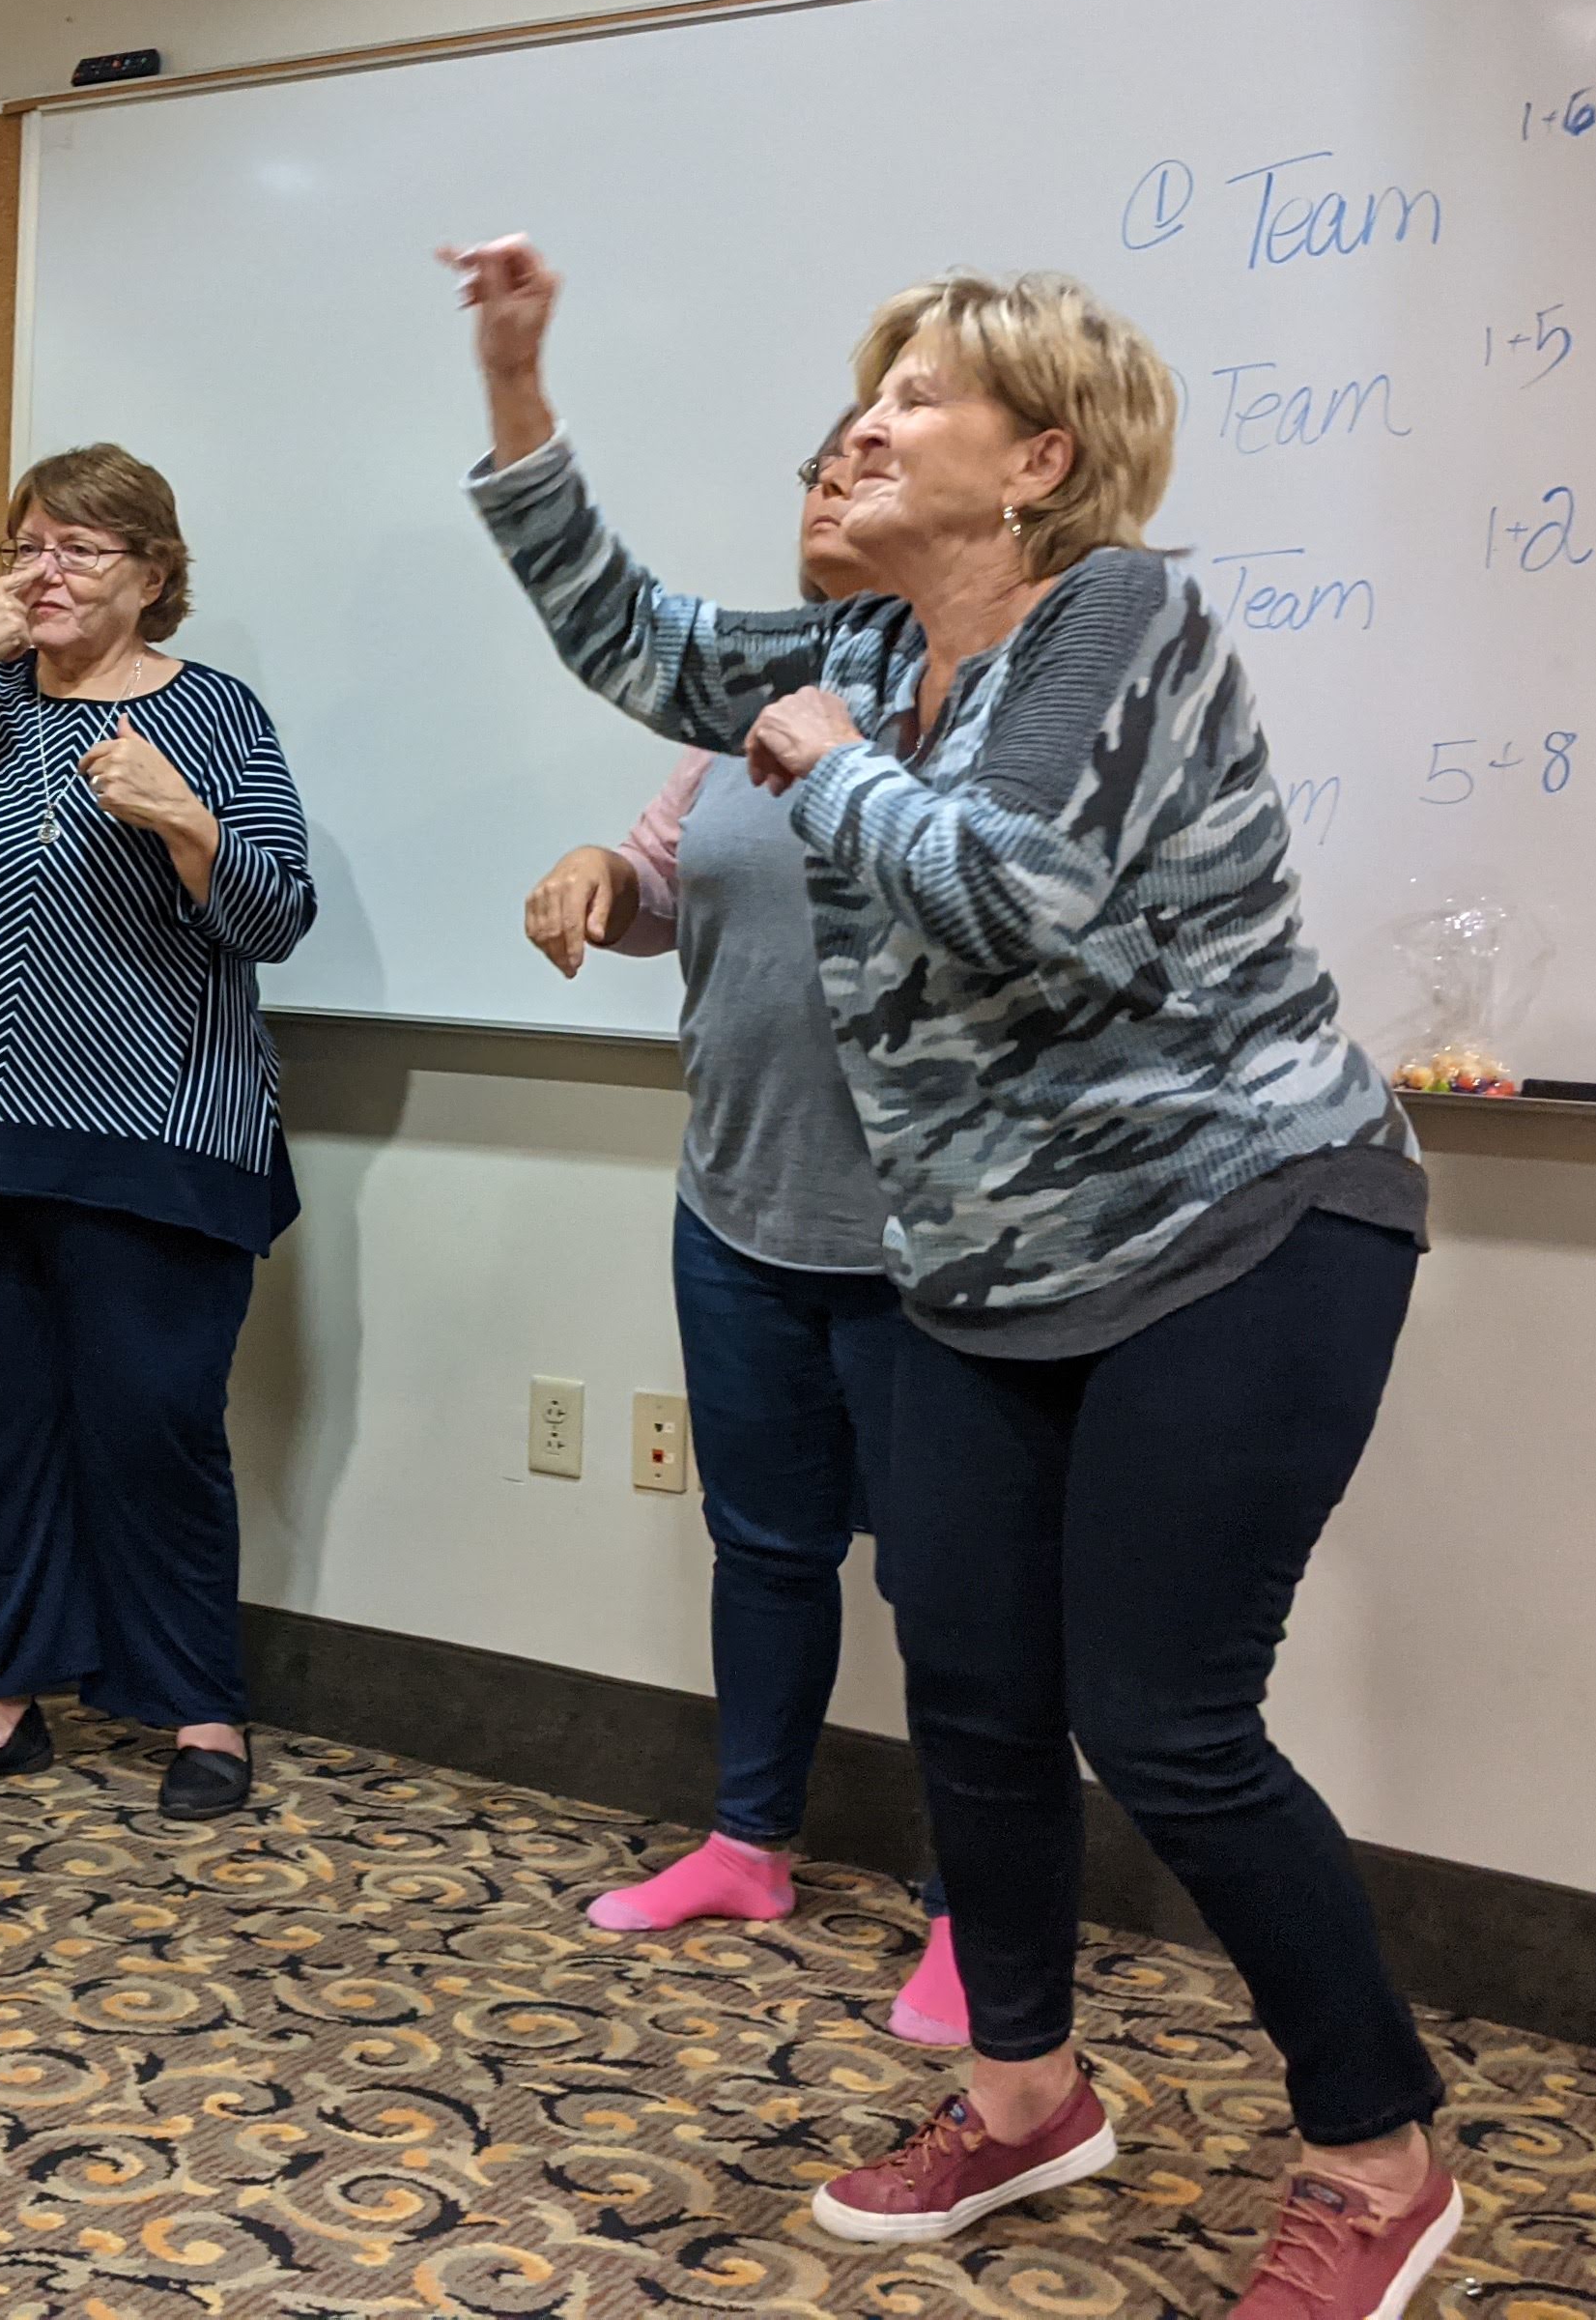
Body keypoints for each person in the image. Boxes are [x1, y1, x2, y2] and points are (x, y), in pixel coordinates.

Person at [449, 243, 1457, 2320]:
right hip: (995, 1262)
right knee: (976, 1698)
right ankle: (1022, 2098)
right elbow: (636, 636)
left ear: (1038, 462)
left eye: (915, 395)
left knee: (1165, 1720)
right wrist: (520, 391)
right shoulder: (854, 645)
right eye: (870, 390)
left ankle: (1380, 2156)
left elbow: (1027, 893)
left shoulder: (1118, 615)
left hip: (1245, 1222)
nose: (865, 423)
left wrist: (829, 760)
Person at [523, 413, 962, 2047]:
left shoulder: (986, 708)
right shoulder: (738, 704)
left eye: (867, 468)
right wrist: (599, 872)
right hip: (739, 1208)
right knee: (765, 1545)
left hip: (931, 1244)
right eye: (816, 472)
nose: (829, 492)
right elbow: (669, 884)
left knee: (955, 1587)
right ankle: (748, 1842)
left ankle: (979, 1911)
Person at [0, 444, 315, 1821]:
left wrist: (188, 825)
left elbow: (277, 915)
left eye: (80, 549)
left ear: (151, 576)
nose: (44, 572)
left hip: (158, 1131)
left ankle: (198, 1705)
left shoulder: (215, 713)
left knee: (153, 1424)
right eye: (27, 545)